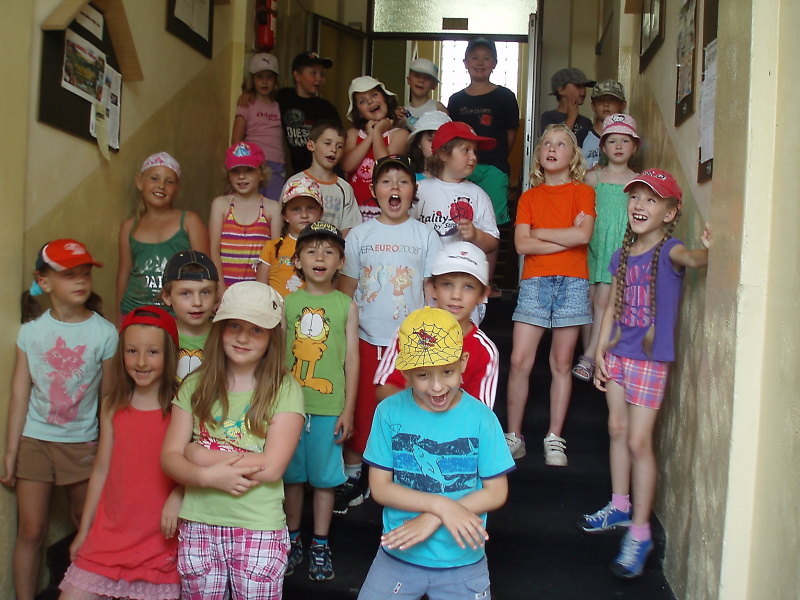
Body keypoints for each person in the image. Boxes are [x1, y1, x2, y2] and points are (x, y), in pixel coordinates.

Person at [578, 169, 709, 579]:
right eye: (635, 197)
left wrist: (710, 247)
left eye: (651, 199)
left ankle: (641, 531)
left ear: (670, 213)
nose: (639, 205)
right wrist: (600, 351)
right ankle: (620, 505)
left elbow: (695, 260)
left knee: (638, 440)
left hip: (650, 362)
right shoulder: (622, 255)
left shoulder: (671, 250)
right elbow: (610, 309)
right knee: (616, 429)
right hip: (618, 355)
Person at [357, 307, 514, 600]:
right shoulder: (388, 412)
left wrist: (433, 516)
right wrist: (442, 507)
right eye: (423, 375)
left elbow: (496, 491)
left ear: (463, 362)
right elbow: (380, 488)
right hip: (399, 554)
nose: (438, 386)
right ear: (406, 373)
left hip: (463, 559)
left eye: (447, 371)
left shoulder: (482, 418)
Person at [161, 281, 305, 599]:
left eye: (256, 329)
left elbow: (271, 466)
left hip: (258, 525)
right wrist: (205, 477)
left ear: (272, 337)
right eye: (234, 326)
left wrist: (198, 454)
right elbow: (170, 457)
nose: (242, 337)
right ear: (220, 329)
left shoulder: (285, 389)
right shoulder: (195, 384)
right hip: (199, 521)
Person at [2, 239, 117, 600]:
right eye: (69, 275)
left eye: (85, 273)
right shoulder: (30, 332)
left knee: (87, 525)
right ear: (45, 281)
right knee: (32, 530)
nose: (81, 281)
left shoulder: (105, 333)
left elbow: (109, 400)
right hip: (34, 442)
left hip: (82, 444)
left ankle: (88, 591)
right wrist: (11, 451)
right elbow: (19, 395)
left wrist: (107, 451)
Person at [337, 155, 442, 512]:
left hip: (407, 344)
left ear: (414, 190)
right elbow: (347, 289)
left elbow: (430, 290)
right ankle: (354, 476)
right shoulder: (360, 235)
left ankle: (400, 476)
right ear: (373, 190)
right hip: (365, 338)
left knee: (405, 410)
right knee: (361, 408)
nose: (394, 188)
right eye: (386, 181)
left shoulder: (425, 235)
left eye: (403, 181)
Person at [60, 306, 182, 600]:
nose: (141, 362)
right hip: (108, 537)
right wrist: (84, 531)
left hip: (160, 541)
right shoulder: (112, 406)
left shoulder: (181, 408)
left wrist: (179, 496)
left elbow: (190, 465)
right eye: (132, 351)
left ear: (169, 354)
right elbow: (101, 470)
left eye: (153, 352)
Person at [505, 124, 596, 466]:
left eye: (561, 144)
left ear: (573, 156)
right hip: (535, 282)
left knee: (561, 362)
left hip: (573, 282)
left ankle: (554, 437)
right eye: (546, 144)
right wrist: (565, 235)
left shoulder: (583, 192)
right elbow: (521, 244)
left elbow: (583, 237)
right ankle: (514, 436)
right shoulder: (529, 197)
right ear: (539, 153)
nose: (552, 149)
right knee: (519, 360)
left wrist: (541, 233)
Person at [282, 222, 359, 581]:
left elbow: (352, 361)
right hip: (289, 409)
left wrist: (348, 409)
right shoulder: (288, 303)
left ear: (340, 262)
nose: (320, 257)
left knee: (326, 480)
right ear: (297, 260)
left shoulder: (346, 305)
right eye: (311, 251)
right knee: (292, 478)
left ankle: (320, 544)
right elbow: (276, 359)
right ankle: (293, 539)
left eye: (329, 252)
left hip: (329, 409)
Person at [374, 242, 499, 409]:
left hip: (455, 427)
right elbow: (384, 389)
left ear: (483, 295)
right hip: (407, 423)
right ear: (433, 288)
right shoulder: (408, 332)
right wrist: (424, 407)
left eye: (468, 287)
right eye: (447, 284)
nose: (456, 295)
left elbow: (480, 413)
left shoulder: (485, 351)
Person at [573, 114, 640, 383]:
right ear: (602, 146)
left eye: (625, 141)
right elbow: (578, 206)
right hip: (593, 243)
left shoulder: (637, 180)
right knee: (587, 301)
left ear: (635, 146)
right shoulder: (591, 178)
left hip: (618, 245)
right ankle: (590, 356)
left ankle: (590, 356)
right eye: (612, 141)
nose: (619, 146)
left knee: (604, 300)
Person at [117, 152, 209, 324]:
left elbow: (205, 274)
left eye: (169, 181)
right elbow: (124, 274)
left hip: (176, 315)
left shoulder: (189, 221)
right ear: (140, 182)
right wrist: (118, 319)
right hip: (134, 314)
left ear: (177, 189)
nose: (161, 186)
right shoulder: (129, 226)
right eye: (154, 178)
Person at [447, 38, 520, 228]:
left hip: (494, 168)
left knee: (491, 221)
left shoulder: (506, 96)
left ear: (494, 63)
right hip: (461, 168)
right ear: (465, 63)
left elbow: (511, 133)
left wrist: (498, 157)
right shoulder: (455, 100)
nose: (480, 63)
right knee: (459, 219)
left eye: (486, 58)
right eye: (475, 58)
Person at [413, 121, 500, 256]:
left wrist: (476, 235)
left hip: (460, 267)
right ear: (443, 154)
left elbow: (492, 243)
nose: (473, 157)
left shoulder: (478, 194)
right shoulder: (419, 190)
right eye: (466, 150)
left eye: (475, 151)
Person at [209, 142, 283, 297]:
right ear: (228, 174)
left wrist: (267, 295)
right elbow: (214, 251)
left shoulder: (272, 208)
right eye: (235, 171)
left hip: (258, 293)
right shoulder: (221, 205)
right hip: (226, 292)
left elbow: (275, 256)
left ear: (261, 173)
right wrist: (221, 293)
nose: (241, 176)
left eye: (249, 170)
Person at [342, 76, 410, 222]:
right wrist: (370, 137)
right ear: (359, 112)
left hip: (385, 212)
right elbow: (347, 166)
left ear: (385, 99)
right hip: (354, 212)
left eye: (374, 95)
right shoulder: (353, 134)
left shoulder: (400, 135)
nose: (370, 101)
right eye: (362, 101)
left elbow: (385, 166)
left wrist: (378, 131)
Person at [282, 120, 362, 236]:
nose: (334, 149)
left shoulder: (344, 188)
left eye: (339, 146)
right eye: (327, 143)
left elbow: (348, 227)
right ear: (311, 145)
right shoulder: (294, 182)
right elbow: (283, 222)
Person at [256, 176, 324, 296]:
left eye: (310, 208)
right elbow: (260, 290)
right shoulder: (272, 247)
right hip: (276, 307)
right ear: (285, 216)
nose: (304, 215)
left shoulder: (327, 249)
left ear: (321, 213)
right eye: (296, 209)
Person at [232, 53, 286, 200]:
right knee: (249, 203)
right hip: (252, 163)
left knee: (274, 205)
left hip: (276, 166)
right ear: (252, 79)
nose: (264, 82)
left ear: (275, 80)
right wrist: (238, 165)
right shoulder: (246, 104)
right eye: (260, 77)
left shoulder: (280, 106)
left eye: (269, 77)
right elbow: (236, 140)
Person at [278, 52, 342, 175]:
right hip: (300, 173)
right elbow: (263, 96)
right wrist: (248, 94)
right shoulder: (284, 97)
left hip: (326, 173)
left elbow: (339, 142)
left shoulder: (327, 109)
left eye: (322, 74)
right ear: (297, 76)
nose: (319, 79)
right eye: (313, 73)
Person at [161, 250, 219, 382]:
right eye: (185, 293)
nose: (197, 302)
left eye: (205, 292)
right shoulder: (161, 338)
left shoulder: (224, 337)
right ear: (167, 297)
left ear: (216, 293)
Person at [540, 68, 596, 146]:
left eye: (584, 87)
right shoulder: (548, 117)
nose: (583, 90)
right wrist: (571, 118)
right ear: (561, 90)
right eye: (578, 86)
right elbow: (555, 144)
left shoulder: (586, 122)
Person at [581, 79, 627, 169]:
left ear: (623, 105)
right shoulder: (582, 136)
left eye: (612, 100)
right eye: (600, 100)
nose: (606, 104)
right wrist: (589, 173)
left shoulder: (627, 137)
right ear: (593, 106)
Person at [401, 58, 448, 127]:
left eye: (427, 78)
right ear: (408, 80)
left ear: (434, 85)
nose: (421, 80)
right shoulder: (402, 112)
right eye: (417, 75)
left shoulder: (438, 108)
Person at [406, 110, 451, 180]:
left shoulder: (461, 177)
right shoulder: (408, 177)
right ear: (418, 143)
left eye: (442, 140)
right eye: (431, 140)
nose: (436, 145)